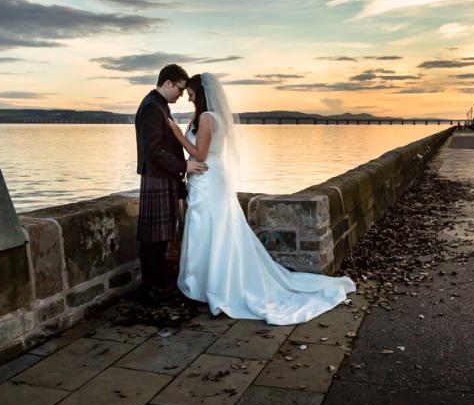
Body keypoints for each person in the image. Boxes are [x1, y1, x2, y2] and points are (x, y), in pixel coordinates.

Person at [167, 73, 355, 325]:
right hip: (205, 180)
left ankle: (215, 286)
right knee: (209, 230)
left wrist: (178, 134)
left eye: (190, 93)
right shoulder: (205, 117)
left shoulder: (207, 118)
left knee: (213, 230)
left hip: (208, 180)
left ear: (200, 92)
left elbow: (200, 154)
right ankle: (204, 283)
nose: (187, 97)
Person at [135, 64, 208, 306]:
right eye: (179, 89)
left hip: (164, 178)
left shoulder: (159, 105)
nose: (181, 95)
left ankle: (154, 287)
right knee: (153, 238)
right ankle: (148, 291)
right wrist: (184, 167)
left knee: (161, 236)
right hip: (157, 177)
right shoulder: (151, 108)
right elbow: (153, 150)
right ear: (168, 83)